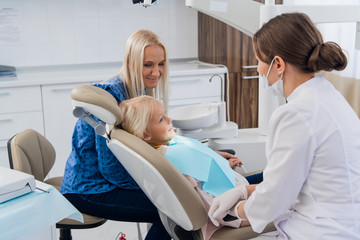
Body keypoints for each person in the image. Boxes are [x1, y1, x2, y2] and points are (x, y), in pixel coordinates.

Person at [208, 12, 360, 239]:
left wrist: (231, 211)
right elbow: (297, 182)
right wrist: (244, 190)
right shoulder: (329, 98)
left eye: (259, 60)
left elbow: (274, 198)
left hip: (320, 231)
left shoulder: (297, 114)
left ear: (278, 64)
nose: (258, 69)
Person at [60, 29, 172, 240]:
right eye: (148, 64)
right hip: (89, 188)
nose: (156, 72)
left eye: (161, 64)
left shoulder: (136, 92)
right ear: (130, 62)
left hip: (107, 182)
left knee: (173, 202)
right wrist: (154, 186)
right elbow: (110, 168)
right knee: (171, 212)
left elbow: (152, 142)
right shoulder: (111, 99)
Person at [118, 95, 257, 240]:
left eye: (165, 114)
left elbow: (198, 168)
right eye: (161, 119)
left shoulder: (168, 149)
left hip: (230, 195)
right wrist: (242, 220)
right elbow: (209, 203)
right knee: (271, 181)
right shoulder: (174, 163)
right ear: (146, 134)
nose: (169, 120)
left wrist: (217, 160)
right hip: (227, 213)